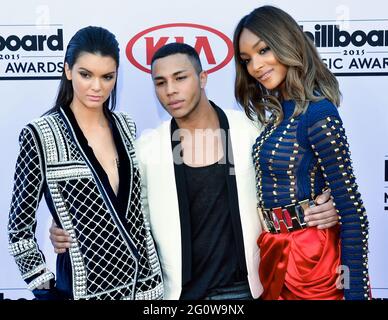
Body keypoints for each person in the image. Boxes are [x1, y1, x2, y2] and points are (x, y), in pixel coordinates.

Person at [50, 42, 339, 300]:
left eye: (180, 78)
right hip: (179, 292)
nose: (170, 90)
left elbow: (294, 178)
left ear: (202, 78)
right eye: (160, 82)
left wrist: (329, 204)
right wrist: (66, 225)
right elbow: (123, 212)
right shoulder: (147, 149)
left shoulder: (251, 130)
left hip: (245, 288)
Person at [7, 26, 163, 300]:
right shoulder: (41, 135)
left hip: (147, 288)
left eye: (107, 77)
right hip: (84, 292)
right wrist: (46, 291)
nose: (96, 87)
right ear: (68, 70)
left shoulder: (126, 126)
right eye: (85, 74)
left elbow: (137, 209)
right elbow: (19, 230)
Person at [233, 5, 371, 300]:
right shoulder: (273, 118)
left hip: (314, 263)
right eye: (247, 60)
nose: (255, 66)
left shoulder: (319, 112)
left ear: (287, 43)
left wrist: (354, 292)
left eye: (264, 50)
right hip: (274, 254)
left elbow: (352, 212)